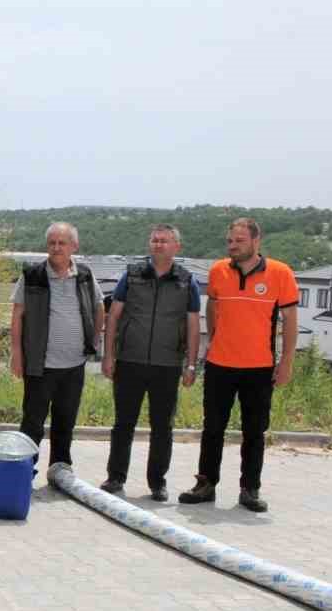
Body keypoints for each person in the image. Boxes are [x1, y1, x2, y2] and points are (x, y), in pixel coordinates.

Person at [180, 217, 298, 512]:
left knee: (254, 431)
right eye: (230, 241)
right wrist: (214, 343)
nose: (232, 246)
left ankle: (250, 489)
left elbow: (291, 322)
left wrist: (286, 362)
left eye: (239, 241)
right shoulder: (219, 270)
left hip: (259, 368)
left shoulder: (280, 273)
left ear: (256, 241)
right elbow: (213, 306)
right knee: (212, 429)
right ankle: (206, 484)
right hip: (220, 365)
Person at [100, 224, 201, 500]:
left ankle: (157, 482)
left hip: (167, 365)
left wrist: (191, 364)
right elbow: (113, 317)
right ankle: (115, 478)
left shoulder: (186, 281)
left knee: (162, 427)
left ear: (176, 247)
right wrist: (108, 355)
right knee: (123, 424)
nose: (158, 245)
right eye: (155, 240)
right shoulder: (131, 276)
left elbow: (193, 325)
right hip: (129, 361)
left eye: (164, 241)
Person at [10, 222, 103, 473]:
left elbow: (98, 306)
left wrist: (94, 341)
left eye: (62, 243)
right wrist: (17, 354)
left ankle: (60, 469)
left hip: (74, 364)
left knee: (66, 420)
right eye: (52, 242)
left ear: (74, 246)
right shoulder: (32, 276)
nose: (56, 247)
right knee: (33, 422)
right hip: (40, 365)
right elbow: (17, 315)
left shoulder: (84, 275)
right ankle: (23, 470)